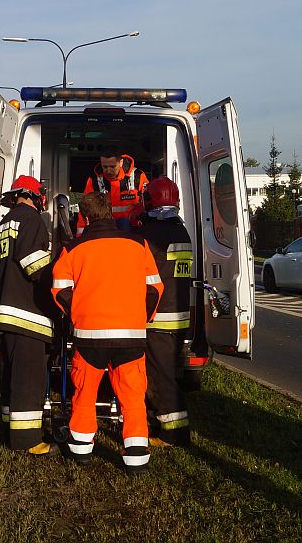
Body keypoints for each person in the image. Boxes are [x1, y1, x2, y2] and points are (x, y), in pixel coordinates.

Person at [52, 192, 163, 473]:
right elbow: (154, 288)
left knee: (85, 394)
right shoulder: (139, 244)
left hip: (89, 336)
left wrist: (77, 314)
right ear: (111, 213)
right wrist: (141, 318)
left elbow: (59, 289)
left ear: (85, 218)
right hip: (131, 335)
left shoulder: (73, 248)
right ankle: (137, 457)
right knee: (133, 397)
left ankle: (81, 451)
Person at [0, 175, 57, 455]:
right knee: (28, 380)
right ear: (35, 196)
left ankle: (8, 428)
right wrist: (59, 281)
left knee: (11, 376)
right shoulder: (32, 220)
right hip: (28, 314)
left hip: (6, 312)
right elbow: (34, 266)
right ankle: (28, 442)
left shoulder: (4, 224)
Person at [134, 177, 193, 446]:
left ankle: (173, 433)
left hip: (157, 316)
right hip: (178, 314)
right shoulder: (181, 231)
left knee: (160, 376)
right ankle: (165, 424)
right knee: (170, 372)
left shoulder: (150, 234)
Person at [79, 149, 149, 232]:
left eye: (112, 166)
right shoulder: (93, 181)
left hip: (133, 230)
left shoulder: (138, 176)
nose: (108, 171)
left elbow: (149, 204)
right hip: (105, 230)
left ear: (121, 162)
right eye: (105, 167)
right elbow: (85, 209)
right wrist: (81, 236)